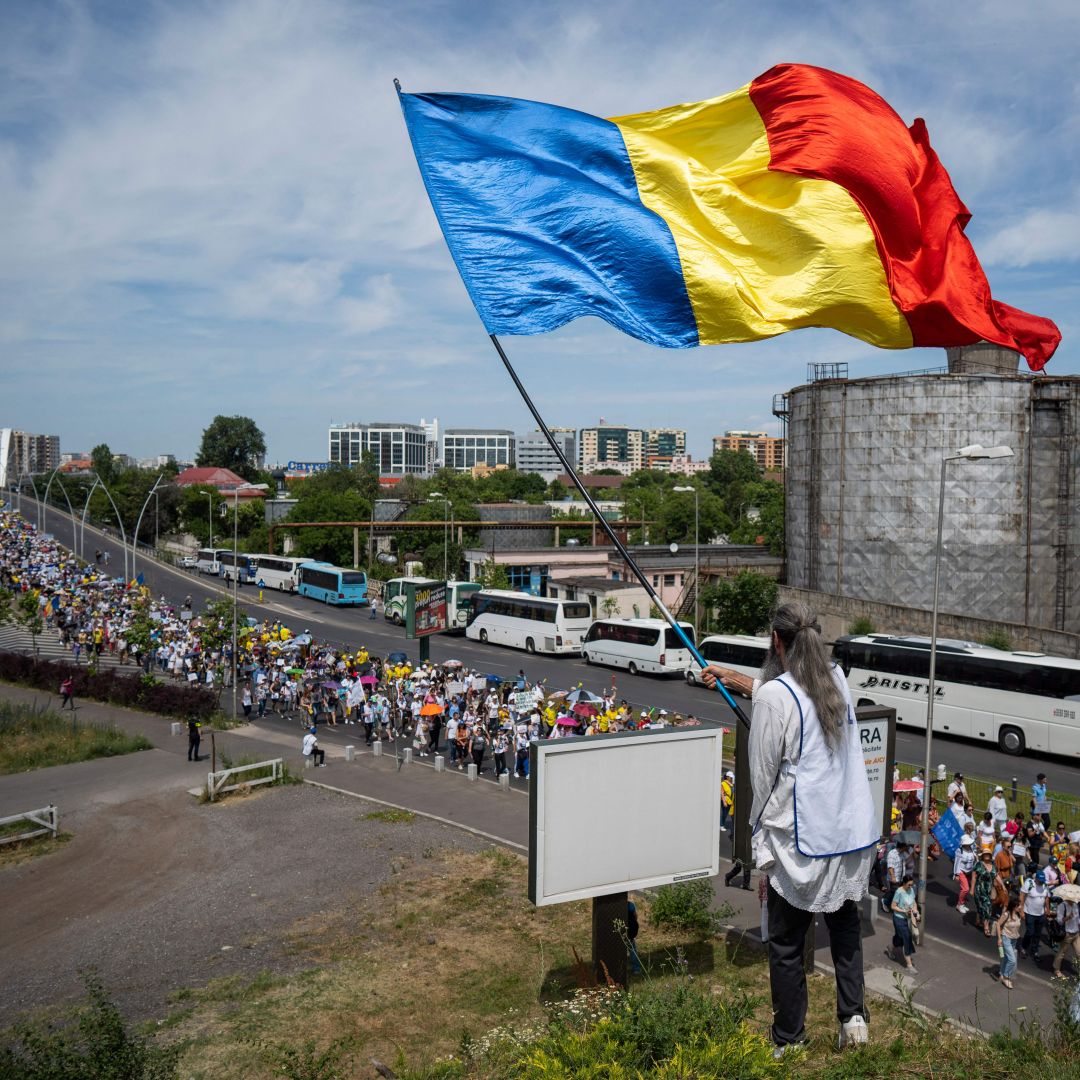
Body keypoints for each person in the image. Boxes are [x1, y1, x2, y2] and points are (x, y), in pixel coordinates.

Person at [703, 602, 875, 1057]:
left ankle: (790, 1039)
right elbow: (790, 693)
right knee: (844, 928)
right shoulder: (837, 679)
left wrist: (761, 848)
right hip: (849, 835)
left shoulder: (774, 698)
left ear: (776, 642)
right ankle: (853, 1021)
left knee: (783, 941)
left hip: (801, 843)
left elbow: (761, 781)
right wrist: (729, 677)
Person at [888, 873, 919, 973]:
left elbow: (914, 902)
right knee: (907, 937)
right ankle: (909, 965)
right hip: (899, 919)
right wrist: (903, 911)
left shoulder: (911, 890)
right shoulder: (899, 892)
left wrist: (915, 911)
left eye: (912, 885)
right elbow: (893, 906)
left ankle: (890, 948)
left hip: (908, 919)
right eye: (909, 885)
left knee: (899, 937)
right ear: (904, 883)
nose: (911, 886)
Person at [1020, 868, 1051, 962]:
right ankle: (1023, 947)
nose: (1041, 883)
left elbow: (1046, 898)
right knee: (1030, 932)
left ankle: (1035, 951)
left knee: (1037, 934)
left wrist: (1047, 909)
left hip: (1040, 914)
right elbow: (1022, 896)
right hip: (1029, 913)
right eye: (1040, 881)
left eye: (1042, 881)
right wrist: (1021, 910)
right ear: (1036, 879)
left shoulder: (1045, 885)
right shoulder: (1029, 883)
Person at [995, 894, 1023, 989]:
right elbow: (998, 924)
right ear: (1014, 906)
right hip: (1006, 938)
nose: (1021, 907)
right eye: (1019, 905)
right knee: (1012, 960)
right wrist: (999, 939)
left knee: (1006, 958)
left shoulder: (1018, 914)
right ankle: (1006, 977)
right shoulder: (1006, 914)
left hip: (1014, 939)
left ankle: (1001, 974)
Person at [1053, 895, 1080, 980]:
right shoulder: (1062, 906)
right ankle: (1056, 970)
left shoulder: (1075, 905)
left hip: (1076, 933)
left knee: (1079, 953)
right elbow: (1059, 921)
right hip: (1067, 933)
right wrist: (1068, 917)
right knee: (1062, 953)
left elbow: (1078, 918)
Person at [953, 835, 976, 915]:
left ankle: (962, 904)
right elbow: (957, 863)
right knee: (965, 889)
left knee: (965, 889)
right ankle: (959, 905)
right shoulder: (960, 850)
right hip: (962, 871)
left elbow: (974, 857)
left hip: (970, 872)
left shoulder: (971, 849)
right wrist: (956, 874)